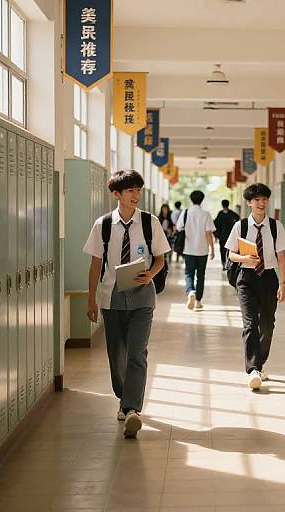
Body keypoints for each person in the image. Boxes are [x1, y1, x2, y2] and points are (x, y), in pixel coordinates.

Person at [83, 170, 171, 438]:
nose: (136, 195)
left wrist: (151, 274)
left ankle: (132, 408)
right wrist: (91, 299)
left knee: (136, 352)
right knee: (116, 354)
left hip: (143, 295)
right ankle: (125, 396)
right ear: (116, 194)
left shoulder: (149, 222)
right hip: (112, 297)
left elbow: (160, 258)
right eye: (131, 190)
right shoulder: (104, 225)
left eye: (138, 190)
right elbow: (96, 264)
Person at [226, 183, 285, 390]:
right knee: (250, 323)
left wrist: (283, 282)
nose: (261, 203)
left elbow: (281, 256)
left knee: (267, 324)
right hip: (246, 278)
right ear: (249, 203)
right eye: (257, 200)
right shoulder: (241, 226)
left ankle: (260, 362)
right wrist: (244, 257)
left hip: (269, 277)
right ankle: (253, 369)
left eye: (264, 199)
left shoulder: (275, 226)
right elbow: (231, 255)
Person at [176, 190, 215, 310]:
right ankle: (198, 301)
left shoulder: (186, 212)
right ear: (202, 200)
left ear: (191, 199)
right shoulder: (206, 214)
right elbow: (209, 233)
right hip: (202, 250)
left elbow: (178, 228)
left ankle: (191, 291)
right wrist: (212, 249)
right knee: (201, 275)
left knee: (189, 273)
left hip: (188, 249)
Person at [214, 199, 240, 270]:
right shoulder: (232, 214)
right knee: (230, 250)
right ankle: (229, 264)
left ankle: (224, 264)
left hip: (222, 236)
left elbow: (215, 224)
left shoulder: (220, 214)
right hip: (231, 236)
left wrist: (216, 235)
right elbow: (238, 221)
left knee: (222, 250)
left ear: (222, 205)